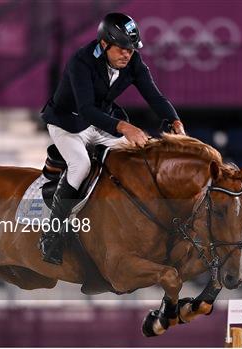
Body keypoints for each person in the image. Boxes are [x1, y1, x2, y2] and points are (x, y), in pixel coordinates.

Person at [39, 12, 186, 265]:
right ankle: (52, 232)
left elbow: (155, 97)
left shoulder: (133, 62)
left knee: (136, 158)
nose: (127, 55)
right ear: (104, 44)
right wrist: (125, 128)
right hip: (67, 123)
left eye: (131, 49)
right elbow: (85, 109)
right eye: (122, 49)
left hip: (101, 121)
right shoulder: (81, 62)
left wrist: (175, 121)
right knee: (81, 166)